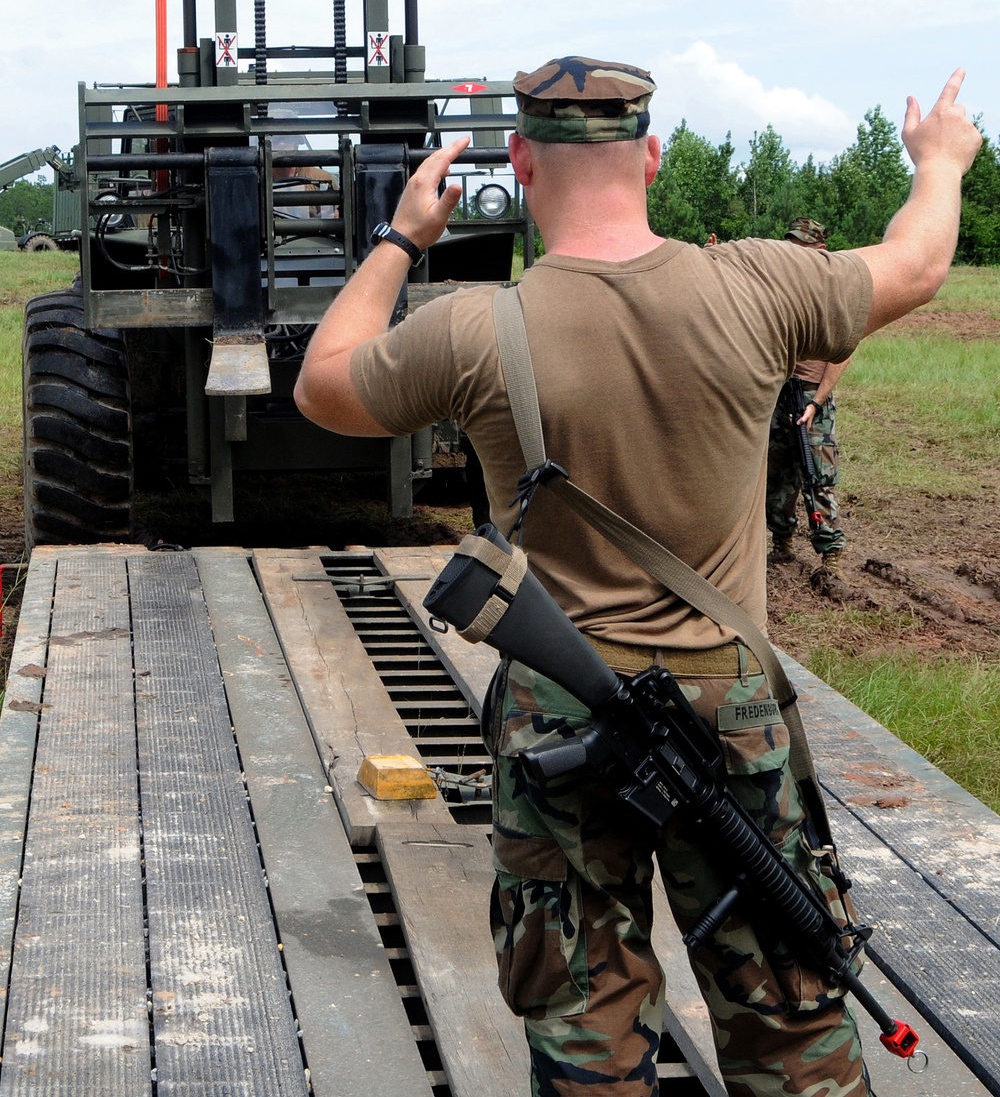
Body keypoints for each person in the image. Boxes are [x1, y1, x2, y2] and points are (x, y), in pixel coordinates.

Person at [294, 57, 981, 1097]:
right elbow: (919, 262)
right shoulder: (760, 283)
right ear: (652, 157)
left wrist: (400, 238)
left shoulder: (473, 329)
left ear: (520, 163)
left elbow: (322, 383)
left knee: (586, 1035)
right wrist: (937, 160)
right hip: (730, 708)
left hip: (559, 718)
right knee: (792, 1020)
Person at [766, 217, 850, 572]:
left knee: (817, 473)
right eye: (792, 246)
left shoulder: (833, 294)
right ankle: (781, 542)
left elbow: (843, 352)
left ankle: (830, 554)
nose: (795, 253)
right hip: (780, 391)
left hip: (812, 395)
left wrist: (817, 402)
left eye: (802, 246)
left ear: (820, 249)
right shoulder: (780, 286)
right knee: (778, 473)